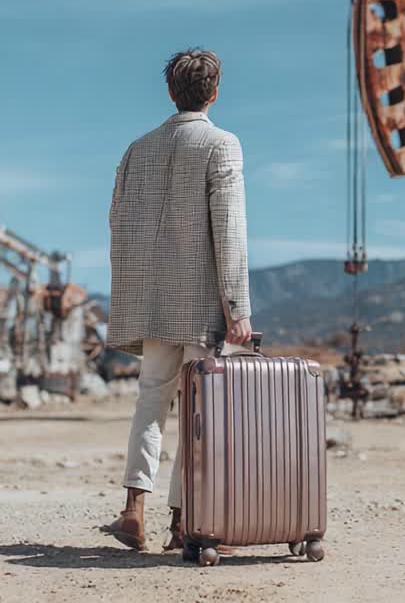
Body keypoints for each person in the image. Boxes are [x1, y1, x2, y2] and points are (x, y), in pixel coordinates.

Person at [104, 48, 252, 552]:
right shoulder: (221, 145)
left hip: (150, 300)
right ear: (214, 93)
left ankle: (133, 509)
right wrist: (238, 309)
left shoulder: (136, 149)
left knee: (150, 401)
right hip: (200, 307)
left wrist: (132, 294)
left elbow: (117, 224)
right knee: (200, 413)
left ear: (171, 92)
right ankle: (183, 523)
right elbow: (229, 230)